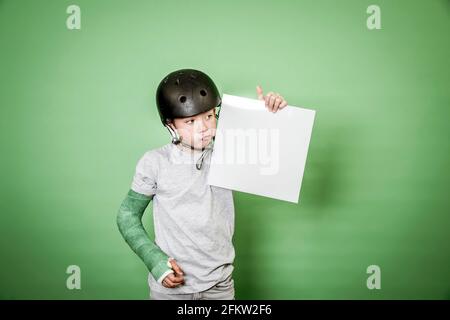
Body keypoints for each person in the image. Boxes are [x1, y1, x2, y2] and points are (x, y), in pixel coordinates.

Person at [117, 68, 288, 300]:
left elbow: (276, 162)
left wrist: (268, 116)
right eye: (190, 121)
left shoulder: (229, 153)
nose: (204, 127)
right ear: (170, 125)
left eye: (209, 116)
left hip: (219, 285)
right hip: (170, 289)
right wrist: (154, 260)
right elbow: (127, 216)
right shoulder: (155, 162)